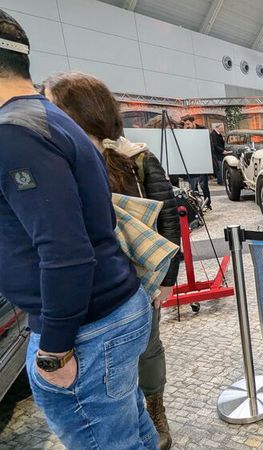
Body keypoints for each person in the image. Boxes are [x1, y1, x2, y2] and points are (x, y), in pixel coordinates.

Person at [0, 9, 157, 449]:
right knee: (131, 429)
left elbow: (65, 253)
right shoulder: (48, 117)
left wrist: (54, 350)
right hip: (110, 312)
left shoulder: (16, 133)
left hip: (84, 329)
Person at [43, 71, 179, 450]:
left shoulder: (134, 158)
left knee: (149, 349)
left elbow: (168, 216)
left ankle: (155, 408)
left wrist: (167, 279)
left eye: (50, 104)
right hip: (93, 289)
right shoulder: (60, 160)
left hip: (137, 279)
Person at [181, 115, 212, 209]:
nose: (187, 126)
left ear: (193, 122)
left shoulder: (202, 130)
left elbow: (207, 144)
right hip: (190, 162)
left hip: (201, 161)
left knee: (204, 185)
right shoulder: (183, 132)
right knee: (193, 186)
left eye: (188, 124)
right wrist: (185, 131)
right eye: (185, 124)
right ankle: (196, 205)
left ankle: (208, 204)